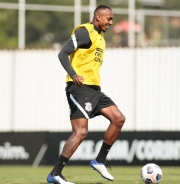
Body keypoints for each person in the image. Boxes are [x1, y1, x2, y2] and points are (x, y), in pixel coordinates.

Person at [47, 5, 125, 184]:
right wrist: (74, 75)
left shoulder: (100, 36)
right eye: (109, 19)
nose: (111, 22)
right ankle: (55, 174)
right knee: (81, 132)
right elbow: (62, 53)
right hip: (79, 89)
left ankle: (99, 161)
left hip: (94, 90)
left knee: (118, 119)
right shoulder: (85, 32)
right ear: (98, 17)